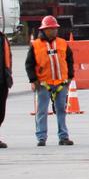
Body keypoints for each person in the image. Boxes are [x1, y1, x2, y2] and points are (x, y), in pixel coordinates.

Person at [25, 15, 74, 146]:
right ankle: (41, 137)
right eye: (51, 29)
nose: (54, 31)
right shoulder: (35, 45)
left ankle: (63, 136)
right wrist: (33, 80)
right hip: (43, 84)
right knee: (42, 111)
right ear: (45, 30)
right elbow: (29, 64)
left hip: (61, 83)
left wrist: (70, 77)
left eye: (55, 29)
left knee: (61, 110)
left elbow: (69, 60)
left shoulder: (62, 43)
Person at [1, 26, 11, 148]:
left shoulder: (2, 38)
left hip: (3, 81)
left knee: (1, 112)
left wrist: (8, 75)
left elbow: (8, 58)